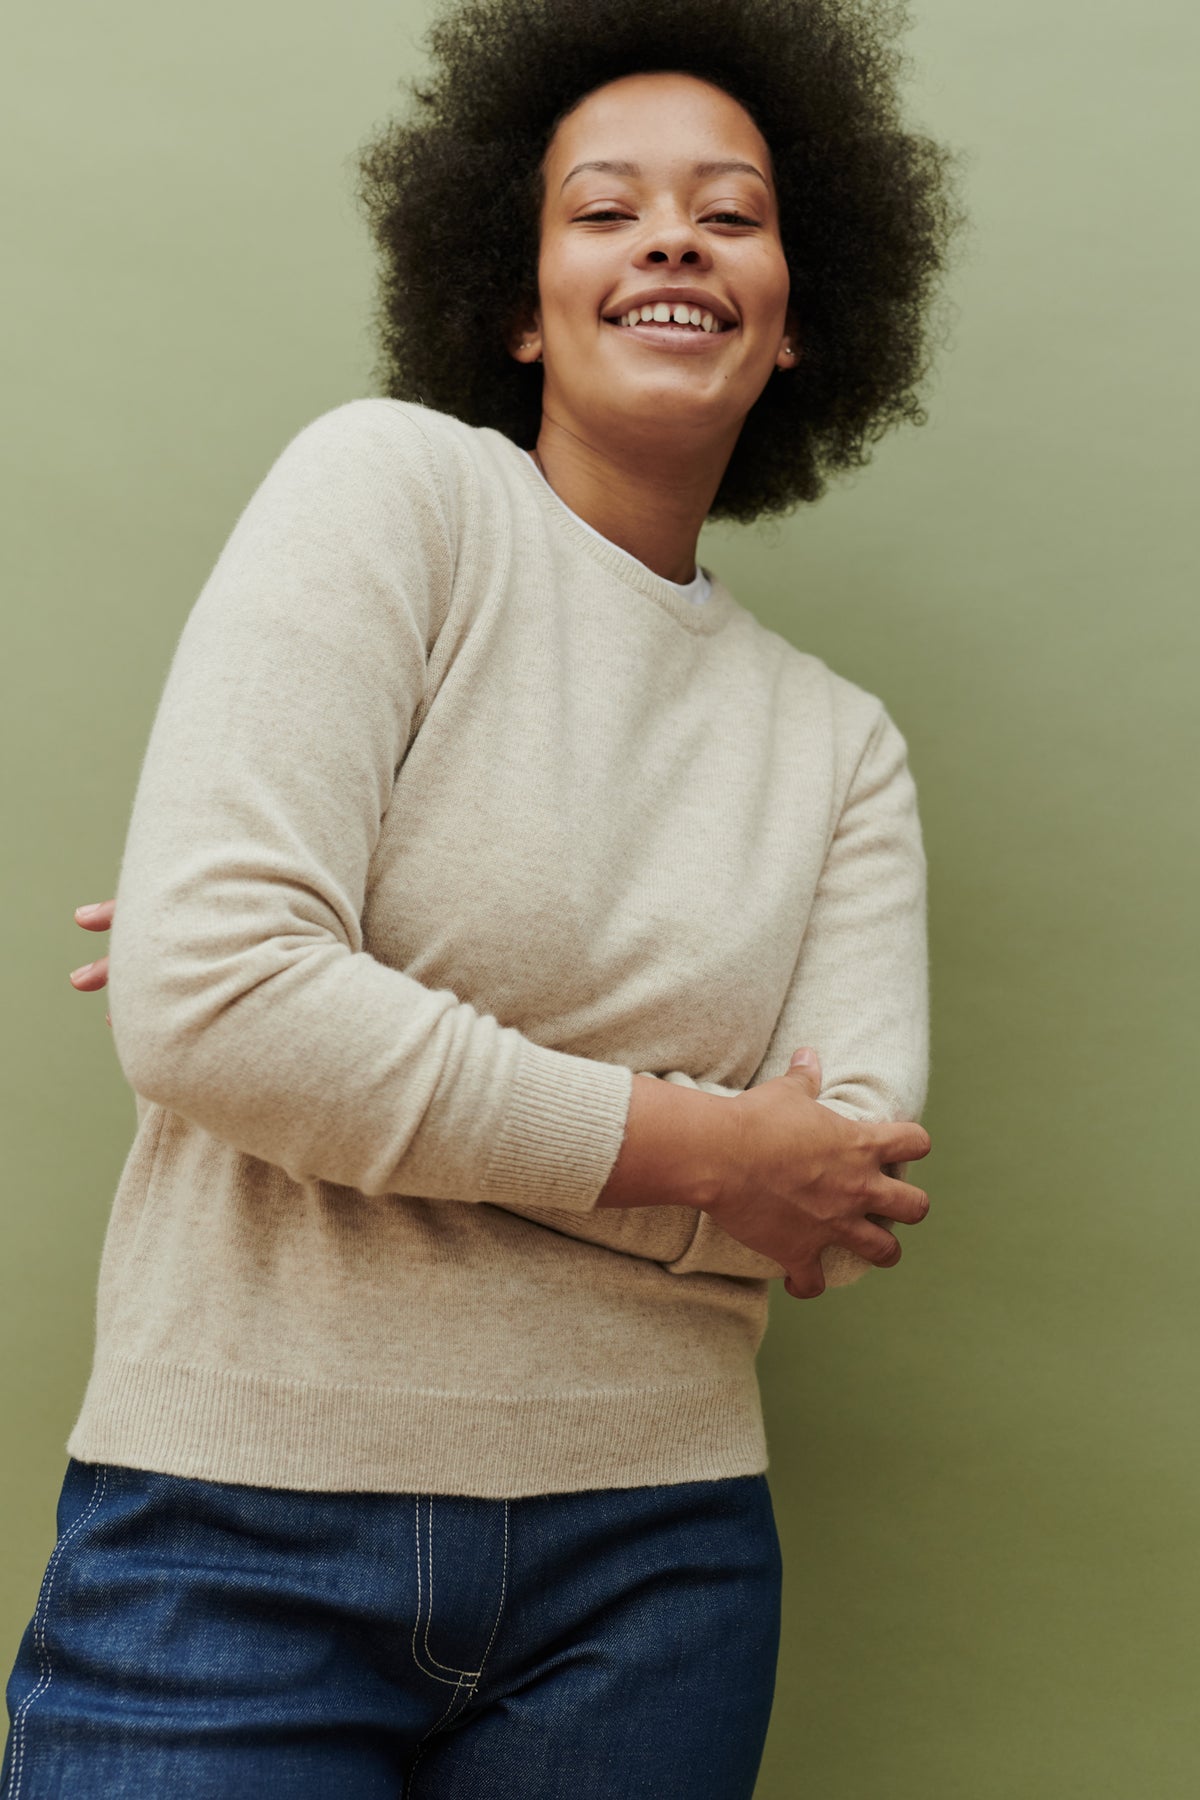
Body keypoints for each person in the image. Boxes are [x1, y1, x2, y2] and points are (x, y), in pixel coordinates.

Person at [6, 0, 962, 1793]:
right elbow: (216, 1005)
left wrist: (360, 1013)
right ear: (516, 304)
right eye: (605, 209)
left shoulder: (840, 748)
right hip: (236, 1538)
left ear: (800, 319)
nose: (671, 235)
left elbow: (828, 1195)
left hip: (657, 1572)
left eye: (730, 213)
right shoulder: (392, 494)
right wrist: (700, 1144)